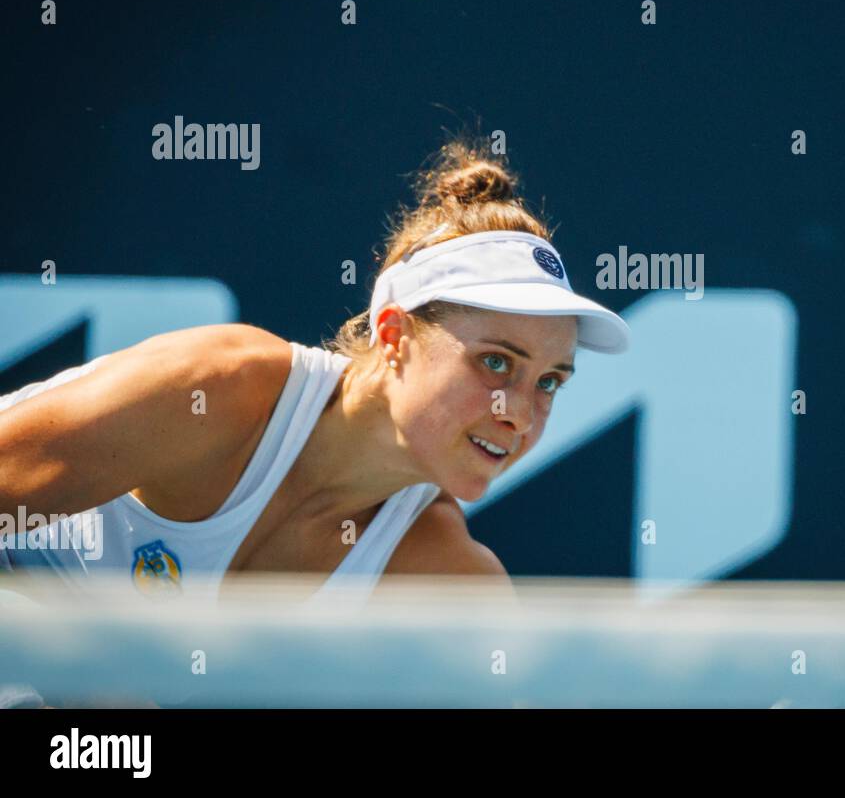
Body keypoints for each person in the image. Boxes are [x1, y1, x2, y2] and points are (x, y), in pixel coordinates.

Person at [0, 137, 629, 620]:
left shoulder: (446, 576)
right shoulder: (220, 389)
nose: (519, 412)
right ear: (393, 337)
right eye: (496, 362)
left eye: (550, 381)